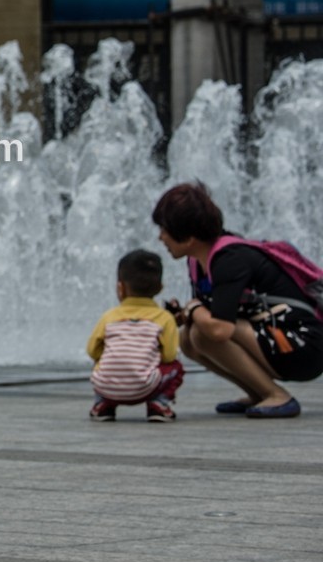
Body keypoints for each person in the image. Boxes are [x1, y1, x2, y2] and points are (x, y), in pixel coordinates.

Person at [154, 181, 323, 418]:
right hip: (273, 339)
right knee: (189, 338)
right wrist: (185, 315)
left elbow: (220, 329)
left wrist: (193, 309)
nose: (160, 237)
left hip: (303, 346)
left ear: (189, 237)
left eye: (164, 229)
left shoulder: (229, 259)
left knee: (205, 333)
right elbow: (210, 313)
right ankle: (258, 393)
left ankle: (278, 395)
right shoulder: (198, 261)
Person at [86, 249, 184, 422]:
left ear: (120, 287)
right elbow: (169, 355)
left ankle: (102, 404)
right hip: (144, 387)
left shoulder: (109, 316)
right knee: (176, 367)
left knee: (102, 362)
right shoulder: (164, 318)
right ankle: (159, 404)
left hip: (105, 386)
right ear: (160, 288)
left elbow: (92, 350)